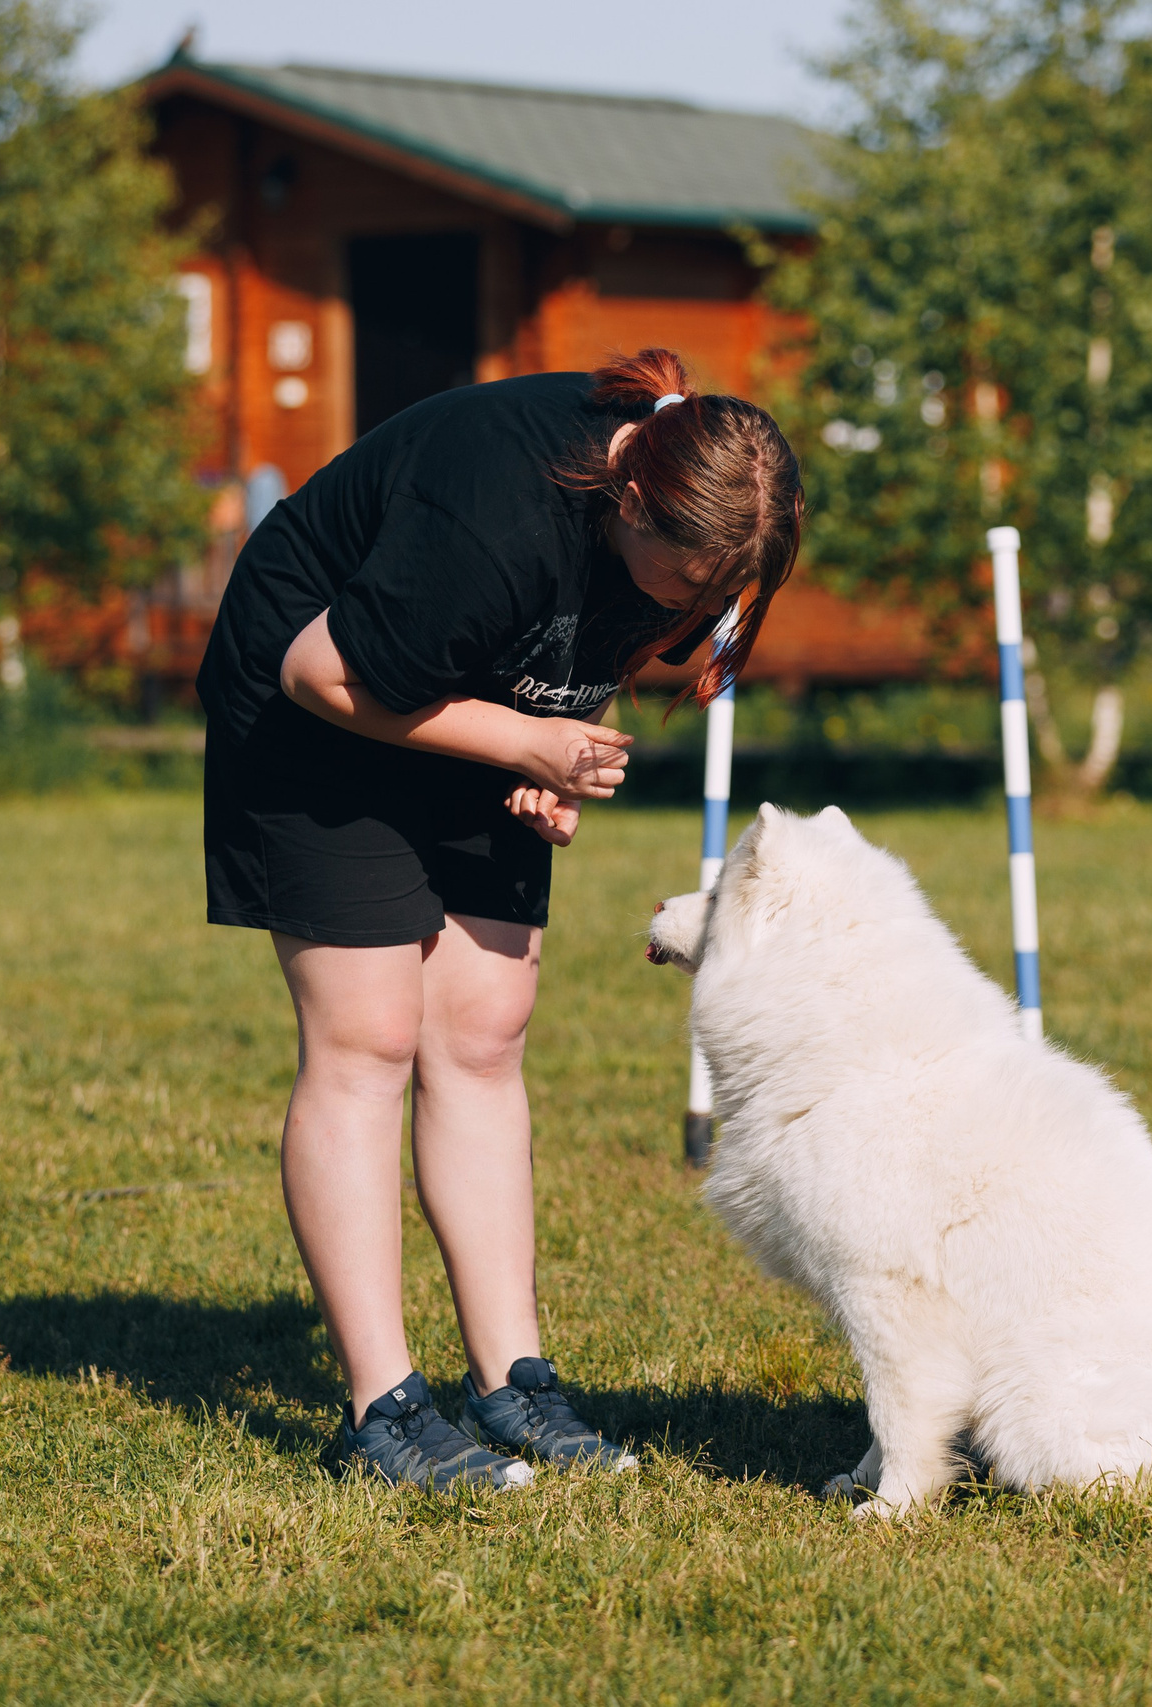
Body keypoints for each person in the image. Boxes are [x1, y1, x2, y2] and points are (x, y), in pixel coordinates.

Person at [195, 349, 802, 1489]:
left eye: (718, 595)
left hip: (456, 693)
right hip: (317, 710)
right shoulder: (491, 508)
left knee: (483, 1023)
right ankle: (381, 1408)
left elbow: (592, 641)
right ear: (630, 497)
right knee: (369, 1032)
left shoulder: (698, 527)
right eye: (688, 587)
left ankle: (510, 1379)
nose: (699, 613)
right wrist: (518, 741)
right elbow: (321, 672)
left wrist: (549, 756)